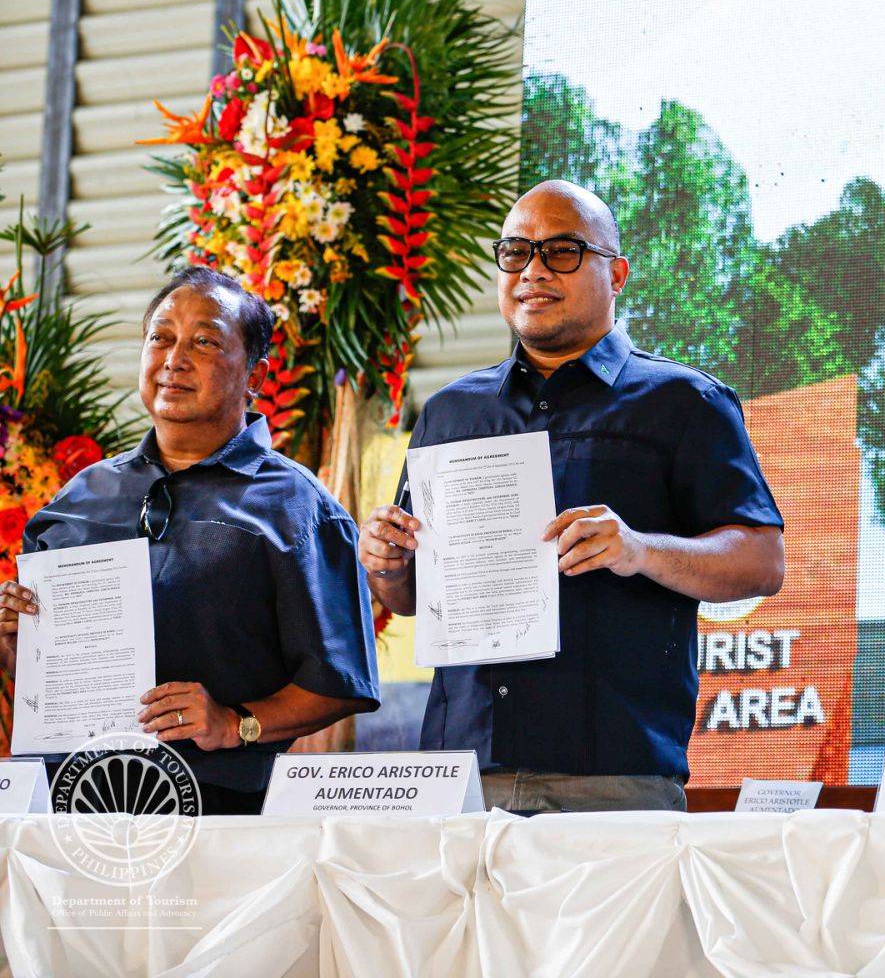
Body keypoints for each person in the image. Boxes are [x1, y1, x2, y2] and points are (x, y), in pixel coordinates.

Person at [358, 180, 784, 813]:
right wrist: (387, 564)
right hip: (460, 774)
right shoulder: (451, 413)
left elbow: (760, 561)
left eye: (561, 251)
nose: (532, 271)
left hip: (612, 774)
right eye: (515, 252)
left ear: (618, 273)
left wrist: (639, 549)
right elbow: (413, 597)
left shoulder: (683, 403)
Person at [0, 269, 379, 814]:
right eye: (161, 336)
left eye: (204, 341)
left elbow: (340, 681)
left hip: (216, 816)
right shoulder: (78, 497)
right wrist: (17, 642)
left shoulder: (297, 507)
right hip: (70, 810)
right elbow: (43, 672)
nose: (174, 358)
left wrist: (235, 724)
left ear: (256, 376)